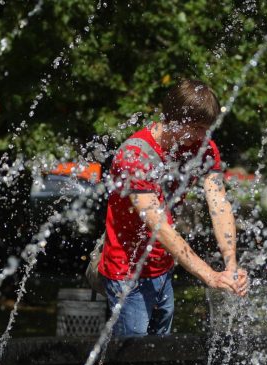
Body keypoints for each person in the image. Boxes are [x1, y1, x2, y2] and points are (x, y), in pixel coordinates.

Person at [98, 79, 248, 337]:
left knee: (160, 357)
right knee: (133, 363)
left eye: (207, 128)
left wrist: (231, 263)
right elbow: (159, 227)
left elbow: (219, 206)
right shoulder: (136, 155)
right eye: (197, 128)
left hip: (163, 269)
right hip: (127, 274)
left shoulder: (202, 149)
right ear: (173, 119)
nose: (203, 136)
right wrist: (209, 276)